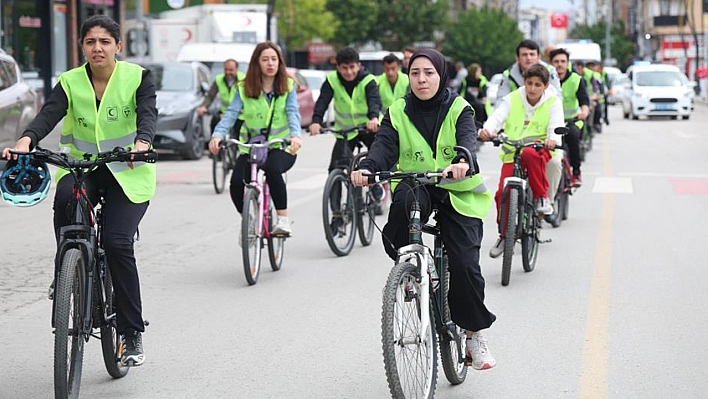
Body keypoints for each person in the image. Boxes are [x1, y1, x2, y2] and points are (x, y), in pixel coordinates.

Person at [1, 15, 157, 367]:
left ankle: (131, 333)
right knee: (64, 197)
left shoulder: (137, 78)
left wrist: (143, 141)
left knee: (118, 243)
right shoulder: (70, 82)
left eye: (104, 42)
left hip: (127, 172)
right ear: (82, 46)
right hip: (84, 167)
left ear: (118, 46)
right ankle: (66, 272)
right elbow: (49, 114)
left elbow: (148, 114)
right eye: (90, 42)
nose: (97, 48)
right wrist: (27, 139)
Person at [351, 49, 497, 370]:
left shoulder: (459, 108)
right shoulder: (398, 111)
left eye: (428, 72)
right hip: (417, 183)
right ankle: (408, 269)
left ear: (441, 75)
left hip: (457, 191)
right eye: (415, 72)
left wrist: (463, 162)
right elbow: (384, 146)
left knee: (465, 265)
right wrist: (368, 167)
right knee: (402, 204)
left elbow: (467, 141)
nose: (421, 79)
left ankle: (474, 335)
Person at [208, 42, 301, 236]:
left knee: (273, 170)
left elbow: (293, 112)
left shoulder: (288, 85)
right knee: (235, 184)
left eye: (274, 59)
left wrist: (295, 136)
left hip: (280, 146)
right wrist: (217, 135)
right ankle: (248, 222)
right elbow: (231, 114)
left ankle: (283, 220)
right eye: (265, 59)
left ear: (279, 62)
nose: (270, 63)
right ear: (256, 63)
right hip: (250, 147)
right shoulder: (243, 88)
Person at [479, 64, 564, 258]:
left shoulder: (553, 101)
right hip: (512, 151)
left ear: (545, 85)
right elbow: (497, 117)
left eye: (537, 85)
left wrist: (553, 139)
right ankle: (503, 236)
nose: (532, 88)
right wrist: (487, 130)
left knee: (529, 154)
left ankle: (542, 197)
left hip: (538, 150)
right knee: (502, 193)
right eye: (529, 83)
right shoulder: (513, 98)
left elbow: (556, 124)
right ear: (524, 82)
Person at [309, 47, 381, 173]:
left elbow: (374, 101)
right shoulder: (332, 80)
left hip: (369, 128)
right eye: (344, 68)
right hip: (346, 131)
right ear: (338, 67)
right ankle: (336, 189)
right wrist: (316, 121)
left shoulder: (368, 80)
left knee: (378, 159)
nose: (349, 72)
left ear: (359, 66)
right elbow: (322, 101)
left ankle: (377, 187)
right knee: (335, 167)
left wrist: (373, 118)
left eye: (352, 67)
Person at [550, 48, 589, 187]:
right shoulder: (545, 79)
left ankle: (576, 172)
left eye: (563, 61)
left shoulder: (576, 80)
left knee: (572, 137)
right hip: (550, 123)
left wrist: (584, 112)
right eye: (556, 62)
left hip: (571, 121)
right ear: (551, 63)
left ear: (567, 63)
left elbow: (584, 100)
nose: (559, 65)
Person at [496, 39, 562, 106]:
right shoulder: (508, 74)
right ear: (517, 58)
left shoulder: (550, 71)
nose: (528, 58)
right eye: (524, 55)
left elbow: (557, 97)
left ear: (539, 57)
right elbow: (501, 100)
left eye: (532, 54)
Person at [196, 59, 245, 134]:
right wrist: (204, 106)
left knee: (241, 131)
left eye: (231, 70)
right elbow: (210, 96)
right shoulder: (219, 79)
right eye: (226, 70)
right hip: (224, 113)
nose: (228, 72)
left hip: (240, 114)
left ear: (237, 69)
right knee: (214, 122)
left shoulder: (244, 80)